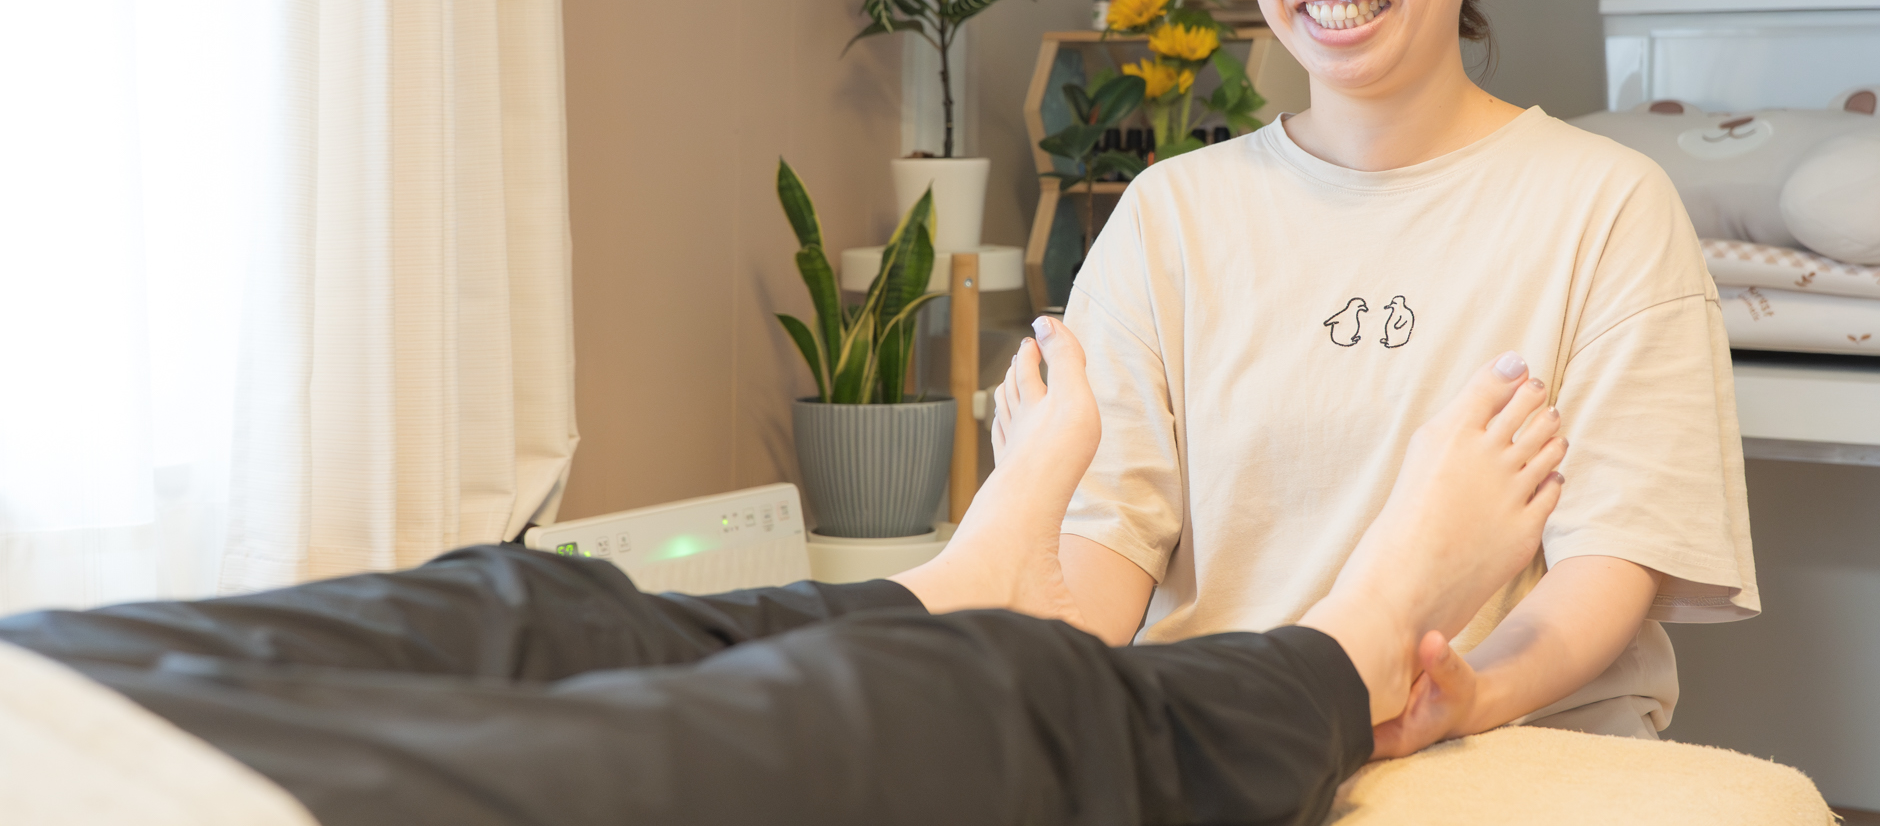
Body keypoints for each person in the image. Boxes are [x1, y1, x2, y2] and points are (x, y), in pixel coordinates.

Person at [2, 317, 1567, 826]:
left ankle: (947, 580)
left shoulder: (1588, 199)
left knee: (513, 604)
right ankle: (1351, 645)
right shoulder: (1185, 204)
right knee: (952, 715)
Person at [1054, 0, 1758, 751]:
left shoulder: (1604, 204)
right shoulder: (1169, 213)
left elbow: (1616, 554)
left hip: (1514, 744)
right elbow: (1103, 541)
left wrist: (1467, 696)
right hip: (1241, 746)